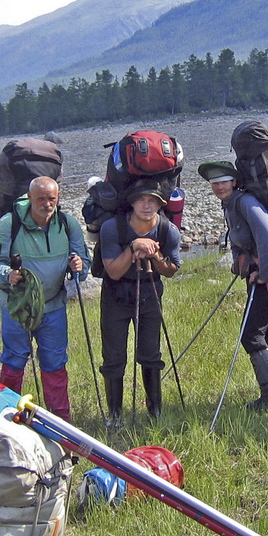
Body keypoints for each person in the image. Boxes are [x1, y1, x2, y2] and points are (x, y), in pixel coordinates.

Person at [0, 175, 89, 421]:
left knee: (54, 362)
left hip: (53, 307)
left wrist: (79, 266)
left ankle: (61, 422)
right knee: (15, 360)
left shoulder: (67, 224)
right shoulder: (8, 224)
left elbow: (82, 271)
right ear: (29, 198)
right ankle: (6, 418)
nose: (46, 204)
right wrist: (7, 275)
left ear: (58, 198)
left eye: (51, 199)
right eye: (40, 199)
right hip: (17, 307)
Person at [198, 160, 268, 412]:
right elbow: (240, 238)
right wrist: (239, 263)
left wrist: (263, 274)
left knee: (251, 334)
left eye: (223, 182)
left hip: (266, 273)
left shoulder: (244, 202)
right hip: (257, 272)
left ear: (233, 181)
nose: (219, 187)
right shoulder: (231, 204)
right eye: (214, 184)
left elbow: (266, 237)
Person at [98, 182, 182, 425]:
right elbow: (113, 272)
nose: (147, 205)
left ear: (160, 204)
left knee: (150, 353)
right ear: (132, 202)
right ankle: (115, 415)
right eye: (142, 200)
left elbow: (171, 270)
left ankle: (155, 412)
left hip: (150, 292)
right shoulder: (112, 228)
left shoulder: (168, 230)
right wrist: (133, 246)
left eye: (153, 201)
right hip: (116, 294)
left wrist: (154, 255)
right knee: (114, 356)